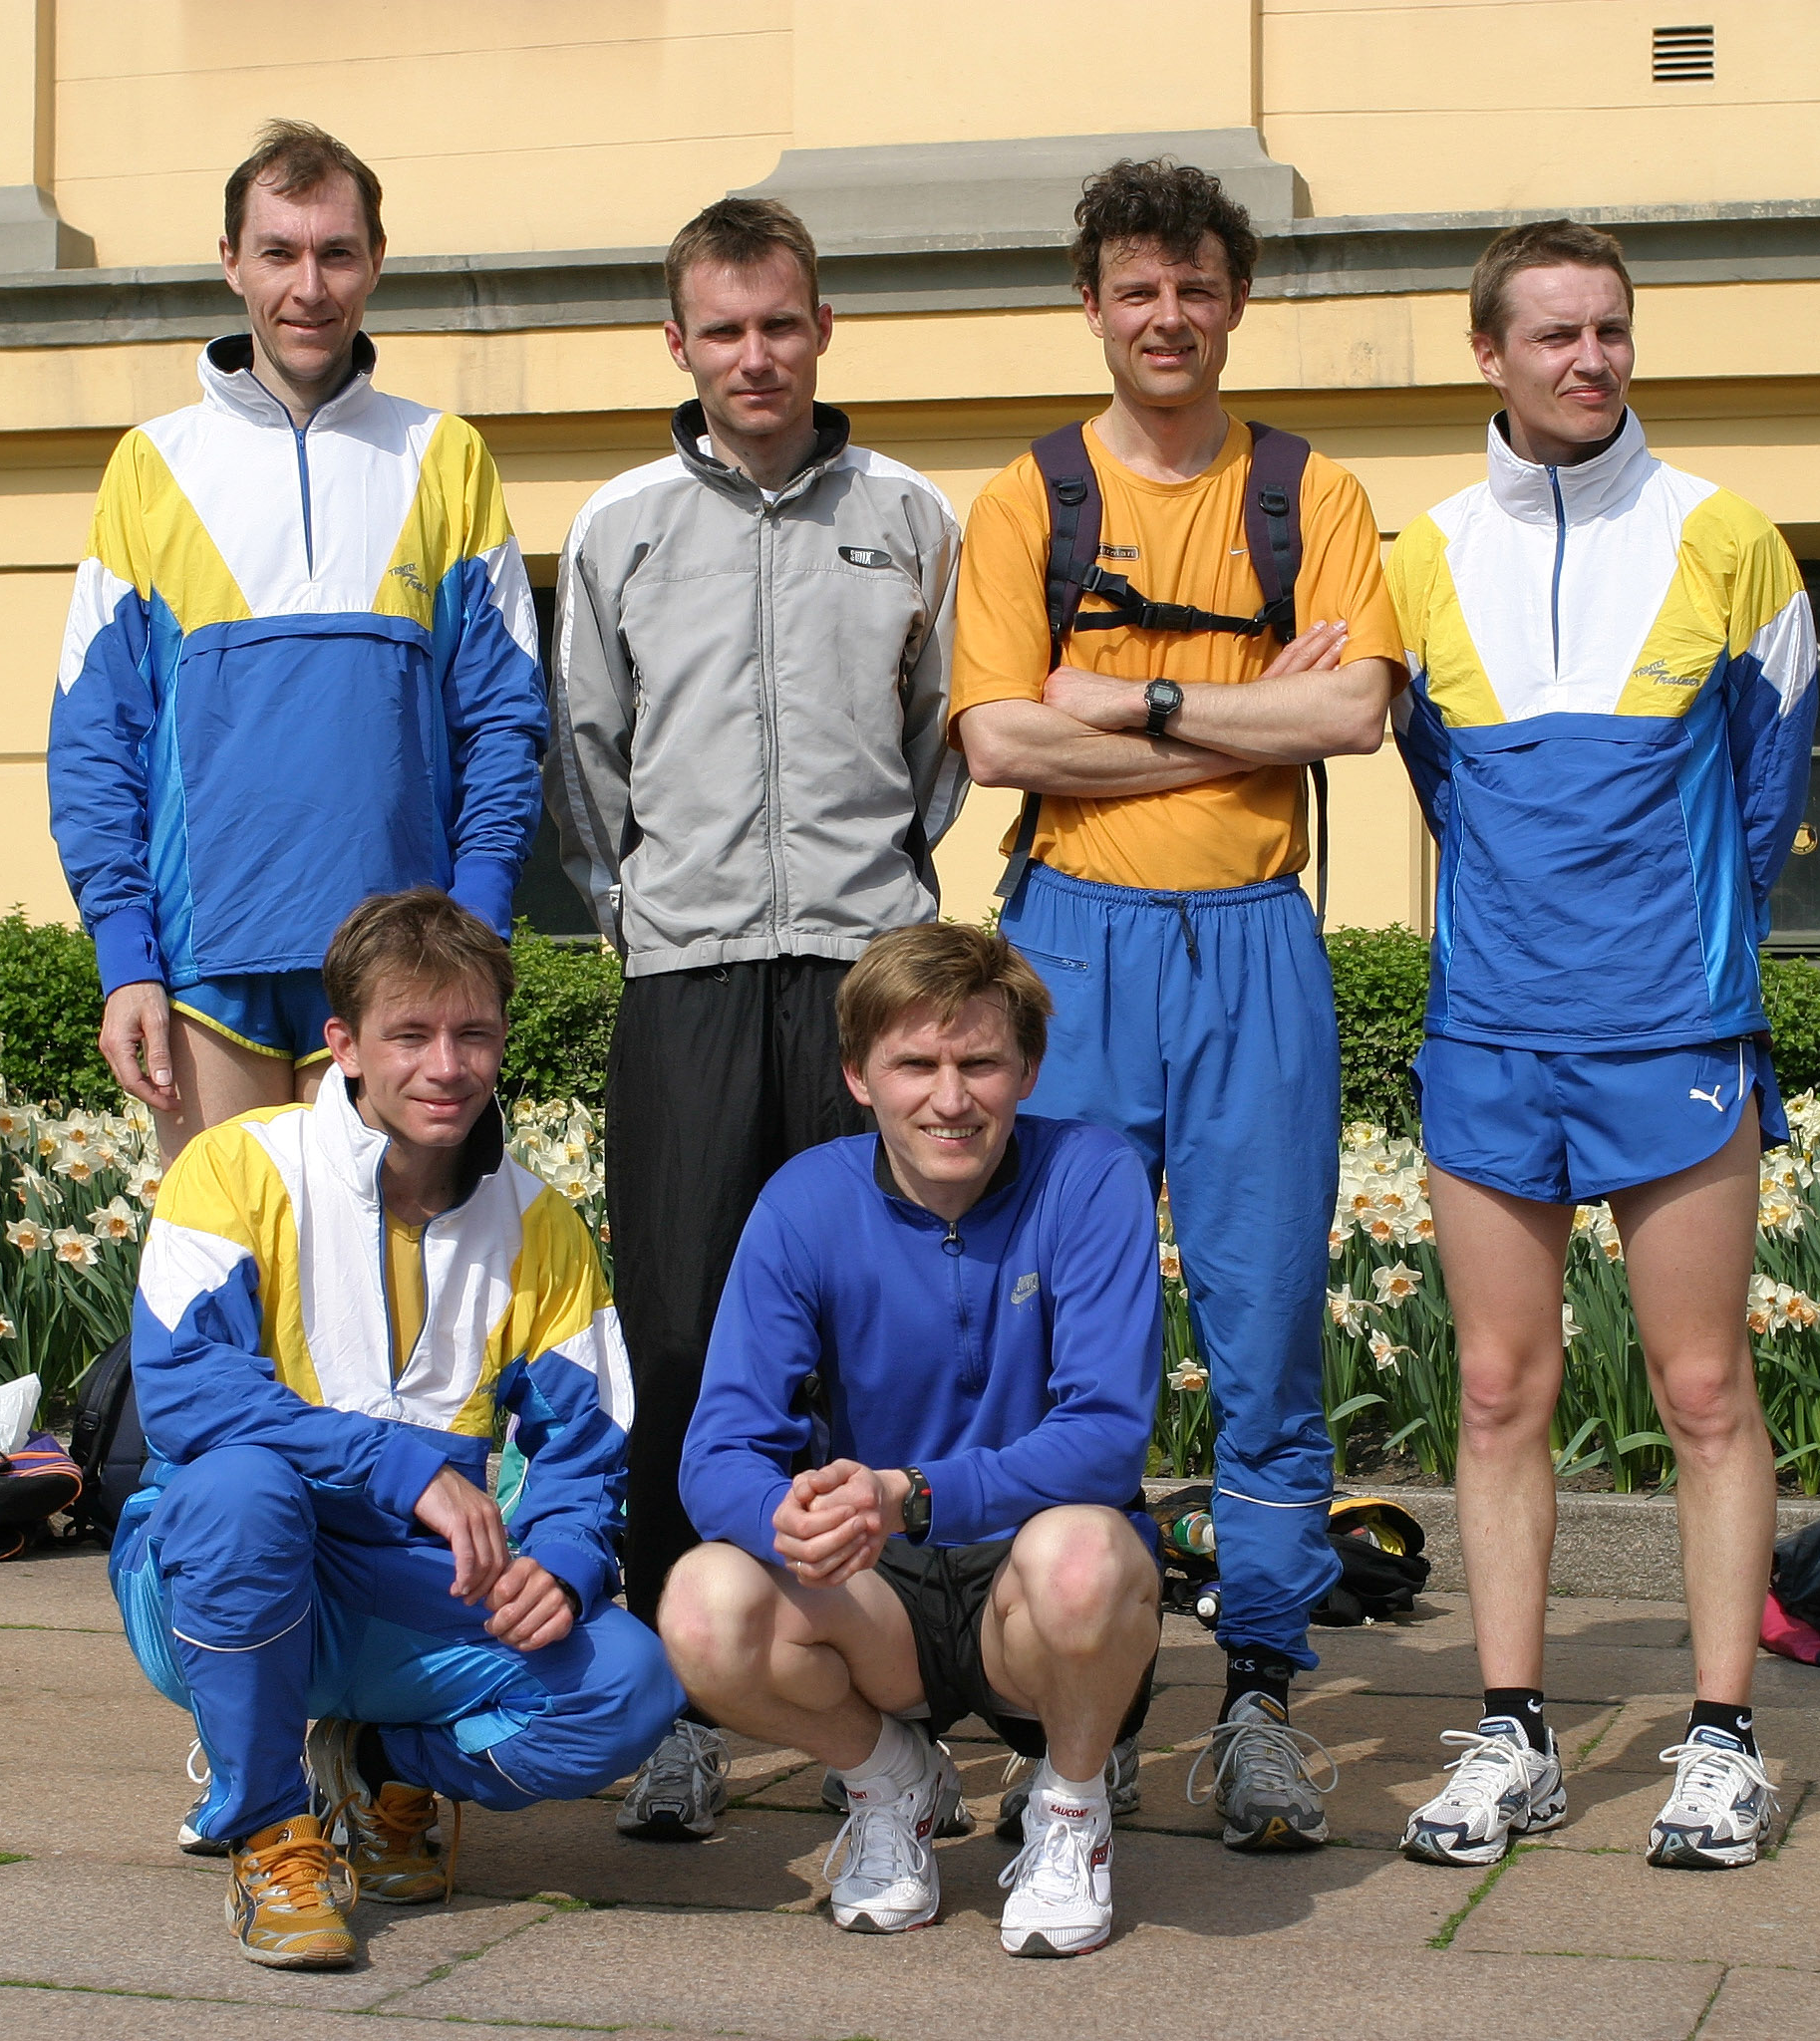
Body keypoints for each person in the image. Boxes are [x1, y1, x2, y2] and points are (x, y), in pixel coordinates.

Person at [948, 157, 1401, 1850]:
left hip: (1255, 945)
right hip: (1071, 946)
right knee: (1061, 1334)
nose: (1167, 316)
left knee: (1264, 1324)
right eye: (1136, 288)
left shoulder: (1310, 494)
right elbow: (998, 740)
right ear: (1091, 304)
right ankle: (1083, 1699)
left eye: (1195, 287)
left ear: (1234, 301)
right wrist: (1231, 713)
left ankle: (1262, 1693)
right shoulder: (1026, 499)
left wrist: (1121, 700)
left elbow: (1350, 715)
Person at [1386, 220, 1817, 1874]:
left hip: (1673, 1029)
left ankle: (1722, 1744)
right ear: (1487, 353)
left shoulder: (1727, 536)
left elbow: (1768, 788)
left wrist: (1674, 953)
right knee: (1498, 1388)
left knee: (1702, 1388)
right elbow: (1441, 783)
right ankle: (1513, 1736)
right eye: (1555, 334)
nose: (1589, 359)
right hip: (1489, 1032)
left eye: (1610, 330)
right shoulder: (1422, 554)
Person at [548, 196, 967, 1841]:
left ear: (822, 327)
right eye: (721, 330)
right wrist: (652, 910)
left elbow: (940, 739)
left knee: (872, 1342)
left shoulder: (910, 515)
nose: (754, 356)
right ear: (678, 344)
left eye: (779, 323)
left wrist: (882, 897)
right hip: (689, 975)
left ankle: (891, 1692)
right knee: (679, 1334)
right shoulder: (620, 525)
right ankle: (683, 1704)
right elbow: (586, 754)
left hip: (864, 971)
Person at [112, 888, 681, 1968]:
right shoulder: (234, 1168)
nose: (446, 1066)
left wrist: (562, 1561)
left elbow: (585, 1446)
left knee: (630, 1684)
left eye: (474, 1034)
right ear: (345, 1046)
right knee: (238, 1492)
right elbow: (185, 1393)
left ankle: (379, 1768)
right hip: (217, 1576)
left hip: (417, 1589)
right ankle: (268, 1831)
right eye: (410, 1035)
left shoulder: (540, 1222)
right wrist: (397, 1466)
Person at [660, 923, 1162, 1957]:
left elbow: (1109, 1436)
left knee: (1085, 1552)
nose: (951, 1097)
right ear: (858, 1076)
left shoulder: (1091, 1173)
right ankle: (888, 1779)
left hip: (1033, 1595)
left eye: (981, 1062)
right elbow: (717, 1451)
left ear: (1028, 1069)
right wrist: (785, 1514)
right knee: (702, 1604)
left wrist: (912, 1493)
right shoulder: (805, 1201)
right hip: (879, 1594)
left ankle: (1072, 1809)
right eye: (915, 1065)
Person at [50, 120, 545, 1155]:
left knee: (389, 1261)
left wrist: (475, 931)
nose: (309, 287)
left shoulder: (446, 456)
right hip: (204, 968)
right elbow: (95, 738)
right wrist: (126, 958)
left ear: (376, 261)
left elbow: (504, 723)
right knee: (221, 1253)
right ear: (231, 260)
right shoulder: (151, 465)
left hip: (397, 973)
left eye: (336, 253)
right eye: (279, 252)